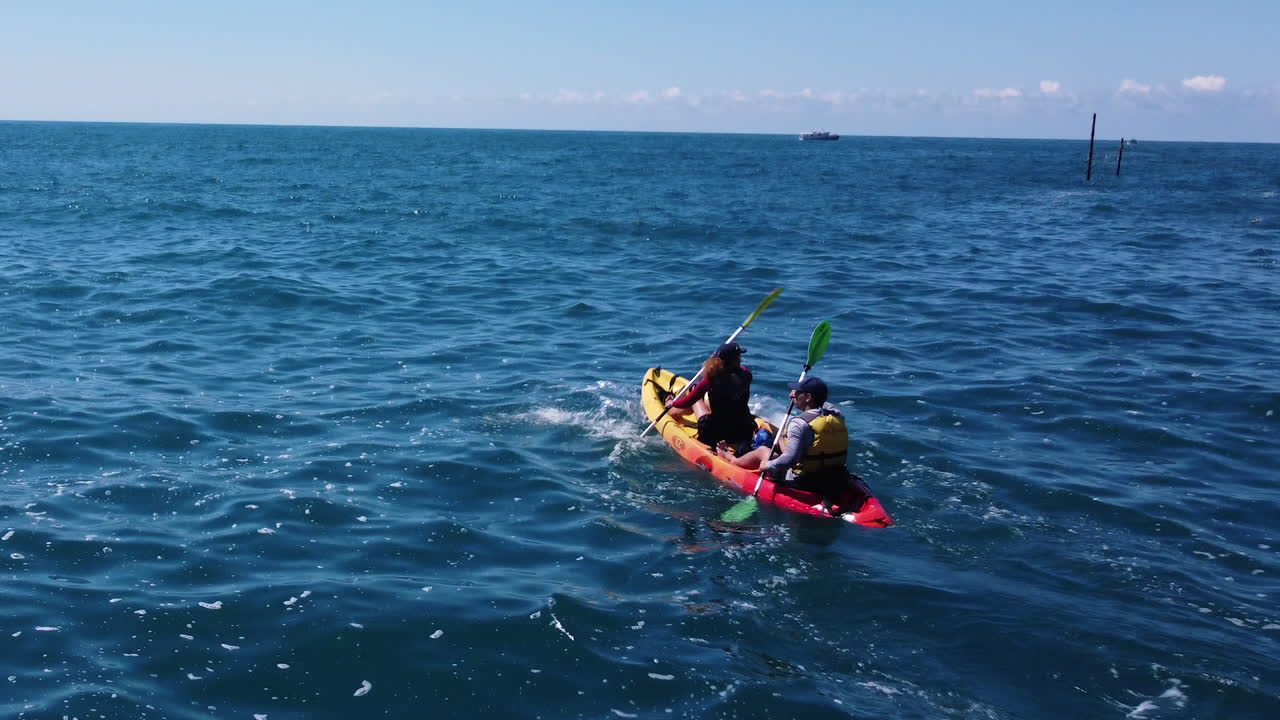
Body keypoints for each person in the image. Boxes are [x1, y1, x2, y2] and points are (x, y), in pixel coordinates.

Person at [715, 375, 851, 501]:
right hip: (834, 477)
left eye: (797, 392)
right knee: (781, 436)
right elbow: (824, 404)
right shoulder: (837, 415)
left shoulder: (799, 424)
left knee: (763, 451)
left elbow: (789, 460)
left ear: (808, 397)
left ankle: (732, 459)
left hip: (803, 482)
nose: (791, 395)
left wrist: (767, 465)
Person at [665, 342, 757, 451]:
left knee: (694, 393)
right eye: (738, 357)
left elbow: (688, 401)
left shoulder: (712, 379)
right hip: (743, 430)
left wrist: (674, 403)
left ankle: (670, 409)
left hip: (717, 434)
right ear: (734, 360)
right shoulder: (747, 375)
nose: (740, 359)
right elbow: (736, 376)